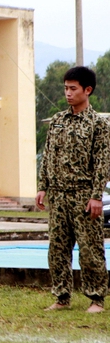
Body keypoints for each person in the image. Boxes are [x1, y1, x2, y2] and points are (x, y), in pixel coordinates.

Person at [35, 66, 110, 313]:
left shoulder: (98, 123)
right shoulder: (57, 120)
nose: (68, 93)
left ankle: (97, 298)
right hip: (58, 194)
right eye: (66, 88)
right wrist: (43, 187)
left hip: (83, 195)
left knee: (90, 250)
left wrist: (97, 196)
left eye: (73, 88)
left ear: (87, 90)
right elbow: (47, 156)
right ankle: (61, 296)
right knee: (57, 249)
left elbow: (102, 161)